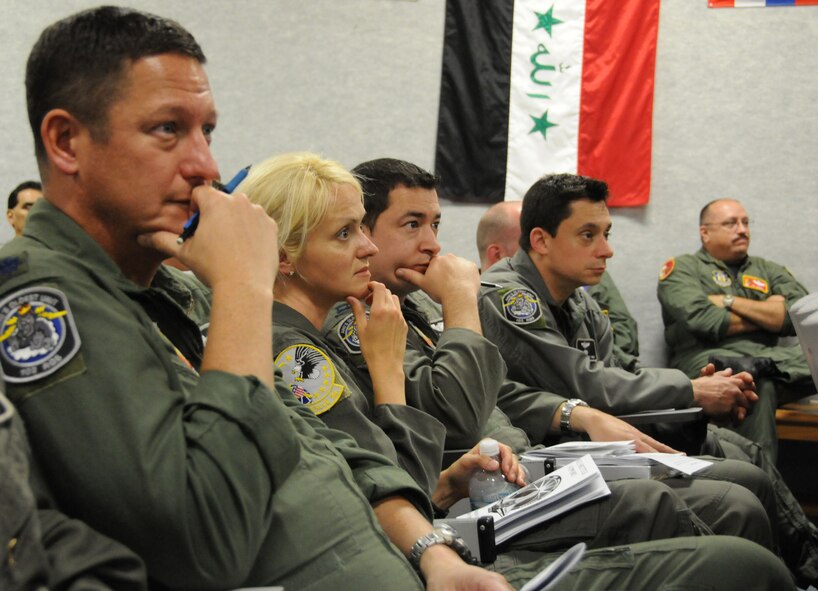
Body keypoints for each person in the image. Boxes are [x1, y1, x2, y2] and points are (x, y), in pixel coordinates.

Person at [0, 7, 527, 590]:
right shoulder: (39, 301)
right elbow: (206, 537)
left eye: (207, 131)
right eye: (167, 129)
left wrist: (432, 551)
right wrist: (244, 286)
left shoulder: (165, 286)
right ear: (66, 141)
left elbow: (322, 443)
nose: (205, 164)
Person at [238, 150, 794, 590]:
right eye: (348, 232)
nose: (432, 244)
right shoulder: (314, 342)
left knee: (737, 481)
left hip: (488, 480)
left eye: (363, 228)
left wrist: (571, 413)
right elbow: (425, 442)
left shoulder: (393, 306)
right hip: (443, 528)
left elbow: (499, 391)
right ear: (285, 255)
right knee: (725, 539)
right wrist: (455, 306)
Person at [478, 172, 818, 586]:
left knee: (748, 462)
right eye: (588, 235)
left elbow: (618, 374)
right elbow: (585, 383)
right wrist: (690, 388)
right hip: (546, 460)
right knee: (740, 494)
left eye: (606, 233)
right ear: (540, 241)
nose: (607, 250)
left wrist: (693, 403)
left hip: (602, 445)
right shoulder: (509, 297)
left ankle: (802, 572)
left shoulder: (578, 298)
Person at [657, 198, 812, 460]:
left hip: (773, 360)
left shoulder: (769, 270)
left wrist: (729, 301)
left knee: (773, 368)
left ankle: (761, 367)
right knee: (752, 380)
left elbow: (800, 317)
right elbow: (705, 320)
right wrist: (769, 313)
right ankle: (762, 487)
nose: (742, 229)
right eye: (731, 223)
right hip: (709, 361)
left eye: (745, 222)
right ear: (705, 232)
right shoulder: (682, 269)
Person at [476, 199, 640, 370]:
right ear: (497, 255)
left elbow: (619, 349)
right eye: (528, 242)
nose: (540, 248)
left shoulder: (577, 296)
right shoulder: (468, 303)